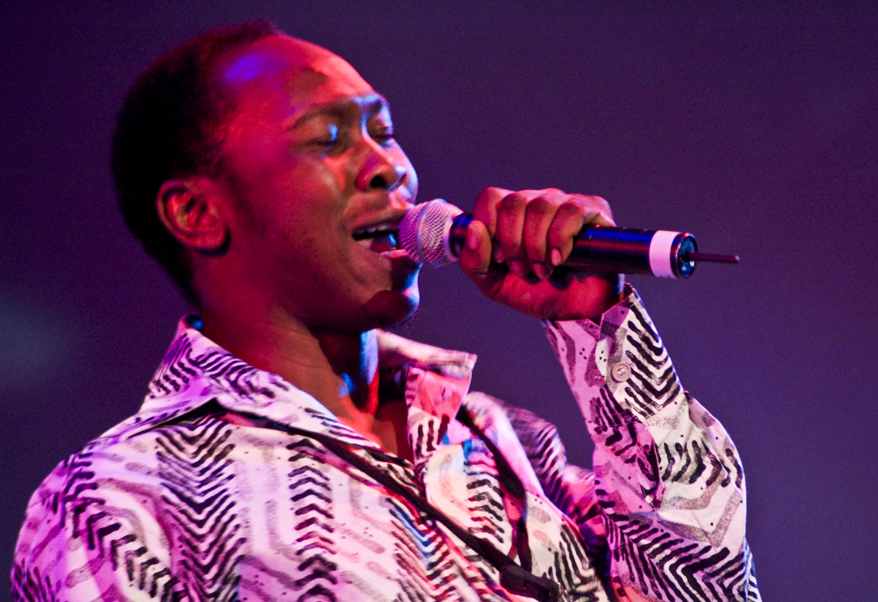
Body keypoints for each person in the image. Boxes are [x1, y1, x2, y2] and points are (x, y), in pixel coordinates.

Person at [12, 22, 759, 602]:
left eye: (385, 130)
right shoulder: (120, 498)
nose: (391, 166)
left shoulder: (503, 441)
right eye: (331, 139)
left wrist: (598, 329)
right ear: (197, 214)